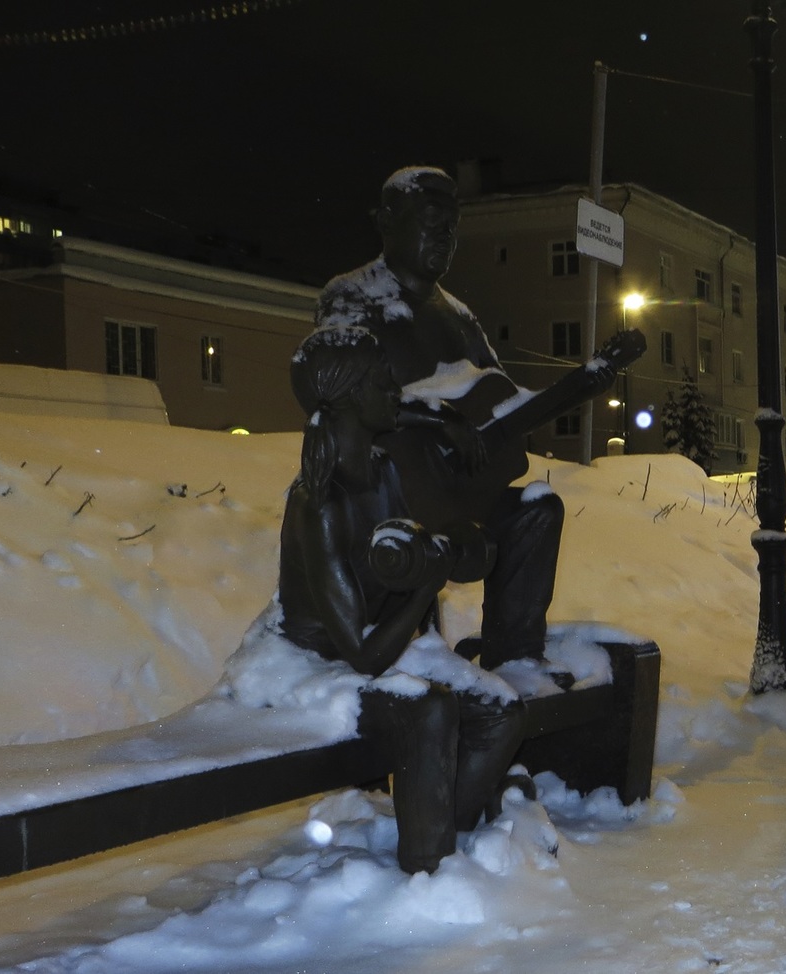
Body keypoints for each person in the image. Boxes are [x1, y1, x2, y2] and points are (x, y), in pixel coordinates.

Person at [315, 166, 643, 669]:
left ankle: (514, 661)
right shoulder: (353, 297)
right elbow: (337, 393)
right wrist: (434, 417)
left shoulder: (459, 317)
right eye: (430, 222)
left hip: (451, 497)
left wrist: (577, 388)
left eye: (451, 227)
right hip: (381, 491)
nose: (445, 238)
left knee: (537, 511)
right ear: (386, 221)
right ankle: (408, 664)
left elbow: (502, 409)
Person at [276, 326, 526, 874]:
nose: (397, 390)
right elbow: (359, 654)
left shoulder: (382, 468)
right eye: (382, 381)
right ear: (347, 398)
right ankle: (427, 871)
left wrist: (438, 554)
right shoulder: (319, 504)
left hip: (375, 656)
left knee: (500, 708)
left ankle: (445, 837)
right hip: (314, 673)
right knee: (430, 710)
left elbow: (405, 560)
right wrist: (425, 583)